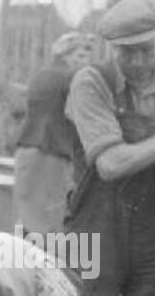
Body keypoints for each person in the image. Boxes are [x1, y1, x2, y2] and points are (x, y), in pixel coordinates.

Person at [63, 0, 155, 296]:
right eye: (126, 52)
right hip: (94, 235)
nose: (137, 61)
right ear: (111, 47)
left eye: (145, 50)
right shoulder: (91, 83)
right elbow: (110, 164)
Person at [13, 31, 96, 237]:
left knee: (28, 218)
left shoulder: (41, 75)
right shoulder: (73, 78)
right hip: (53, 154)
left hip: (27, 150)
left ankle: (23, 265)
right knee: (52, 222)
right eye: (81, 55)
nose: (86, 61)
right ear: (67, 56)